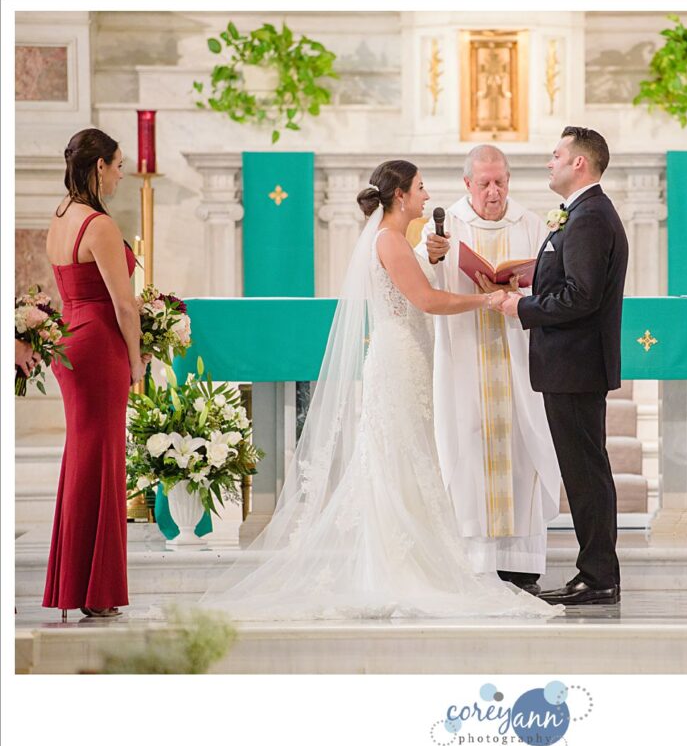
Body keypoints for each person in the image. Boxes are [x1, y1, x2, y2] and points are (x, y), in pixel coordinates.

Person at [201, 160, 561, 621]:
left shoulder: (396, 241)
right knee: (400, 465)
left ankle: (402, 561)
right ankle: (400, 567)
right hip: (399, 361)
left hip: (404, 359)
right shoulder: (389, 241)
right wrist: (487, 298)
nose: (427, 197)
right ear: (399, 196)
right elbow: (427, 301)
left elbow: (419, 287)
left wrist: (434, 261)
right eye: (420, 188)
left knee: (403, 466)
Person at [415, 145, 560, 595]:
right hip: (463, 358)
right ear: (466, 185)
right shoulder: (444, 229)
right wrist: (435, 256)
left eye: (501, 181)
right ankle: (475, 564)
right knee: (468, 448)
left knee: (522, 449)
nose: (495, 192)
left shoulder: (533, 224)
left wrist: (525, 283)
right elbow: (421, 275)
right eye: (485, 184)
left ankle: (521, 566)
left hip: (518, 356)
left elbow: (552, 281)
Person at [498, 126, 628, 606]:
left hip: (574, 364)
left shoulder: (590, 216)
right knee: (584, 470)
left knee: (586, 472)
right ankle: (597, 573)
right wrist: (534, 273)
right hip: (572, 363)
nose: (549, 161)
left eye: (556, 155)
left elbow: (582, 296)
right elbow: (574, 277)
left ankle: (597, 577)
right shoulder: (581, 213)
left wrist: (522, 307)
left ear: (580, 163)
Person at [43, 128, 144, 621]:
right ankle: (96, 590)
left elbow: (75, 290)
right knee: (101, 463)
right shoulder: (99, 225)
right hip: (100, 346)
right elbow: (123, 305)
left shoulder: (61, 216)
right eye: (119, 164)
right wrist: (138, 358)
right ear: (99, 165)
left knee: (83, 458)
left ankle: (76, 583)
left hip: (69, 341)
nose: (123, 174)